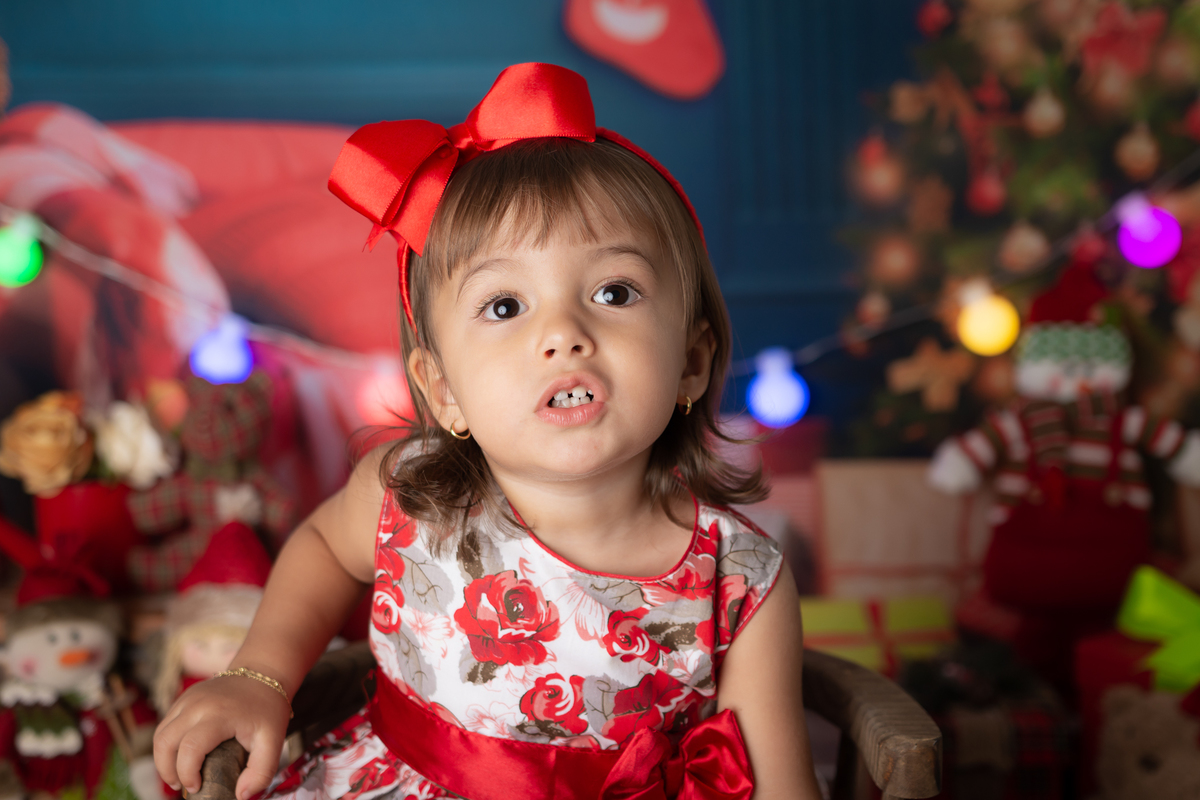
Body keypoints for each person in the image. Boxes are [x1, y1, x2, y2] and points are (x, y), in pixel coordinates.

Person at [153, 63, 822, 800]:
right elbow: (320, 548)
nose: (565, 334)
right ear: (445, 392)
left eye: (613, 292)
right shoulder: (410, 498)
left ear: (692, 363)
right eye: (505, 306)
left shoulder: (739, 579)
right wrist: (260, 675)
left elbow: (780, 782)